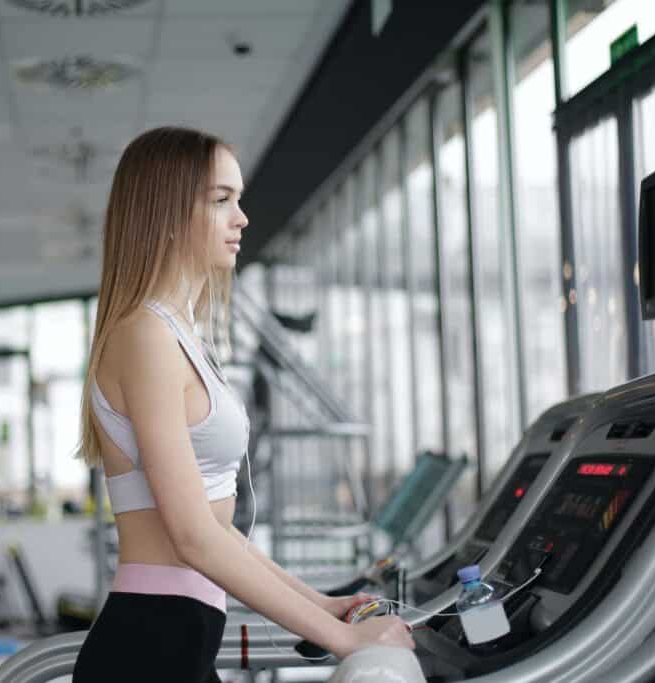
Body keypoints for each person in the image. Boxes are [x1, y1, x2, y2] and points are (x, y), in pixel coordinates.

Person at [72, 127, 414, 681]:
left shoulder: (178, 333)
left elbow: (215, 527)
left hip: (181, 637)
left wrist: (321, 608)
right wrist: (343, 639)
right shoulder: (144, 335)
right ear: (168, 211)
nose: (242, 218)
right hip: (148, 645)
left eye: (238, 199)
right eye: (221, 200)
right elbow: (193, 537)